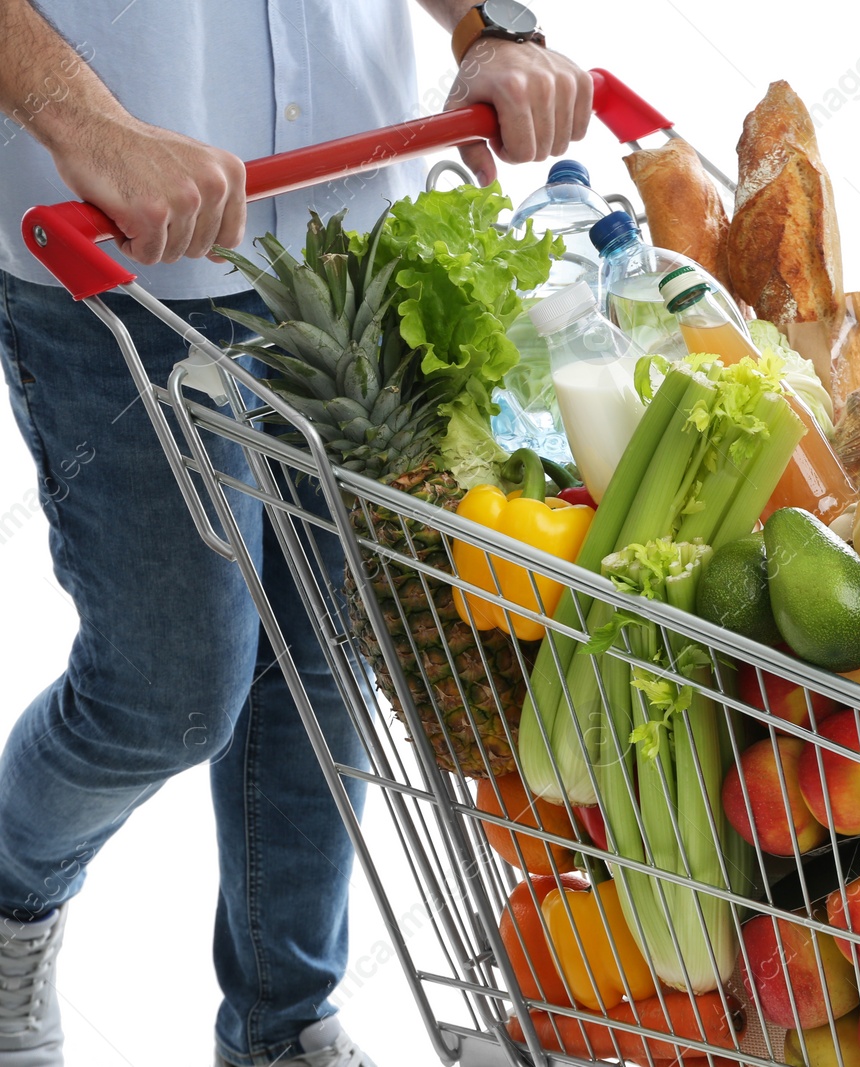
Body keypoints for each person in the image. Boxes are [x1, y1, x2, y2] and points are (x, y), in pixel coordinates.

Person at [0, 2, 590, 1064]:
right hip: (121, 256)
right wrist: (82, 121)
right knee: (168, 694)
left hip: (349, 236)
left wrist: (492, 24)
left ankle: (286, 1024)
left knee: (325, 658)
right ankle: (8, 894)